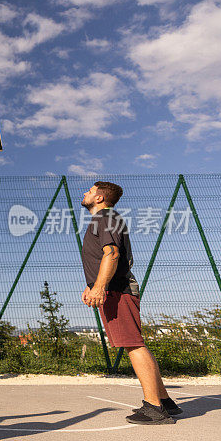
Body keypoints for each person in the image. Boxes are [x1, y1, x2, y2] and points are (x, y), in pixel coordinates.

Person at [80, 181, 181, 425]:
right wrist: (92, 283)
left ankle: (155, 408)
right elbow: (109, 256)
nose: (85, 193)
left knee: (133, 345)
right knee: (134, 343)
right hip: (115, 288)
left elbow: (112, 254)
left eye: (91, 190)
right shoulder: (104, 219)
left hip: (118, 290)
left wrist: (100, 286)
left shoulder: (106, 217)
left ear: (100, 197)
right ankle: (164, 401)